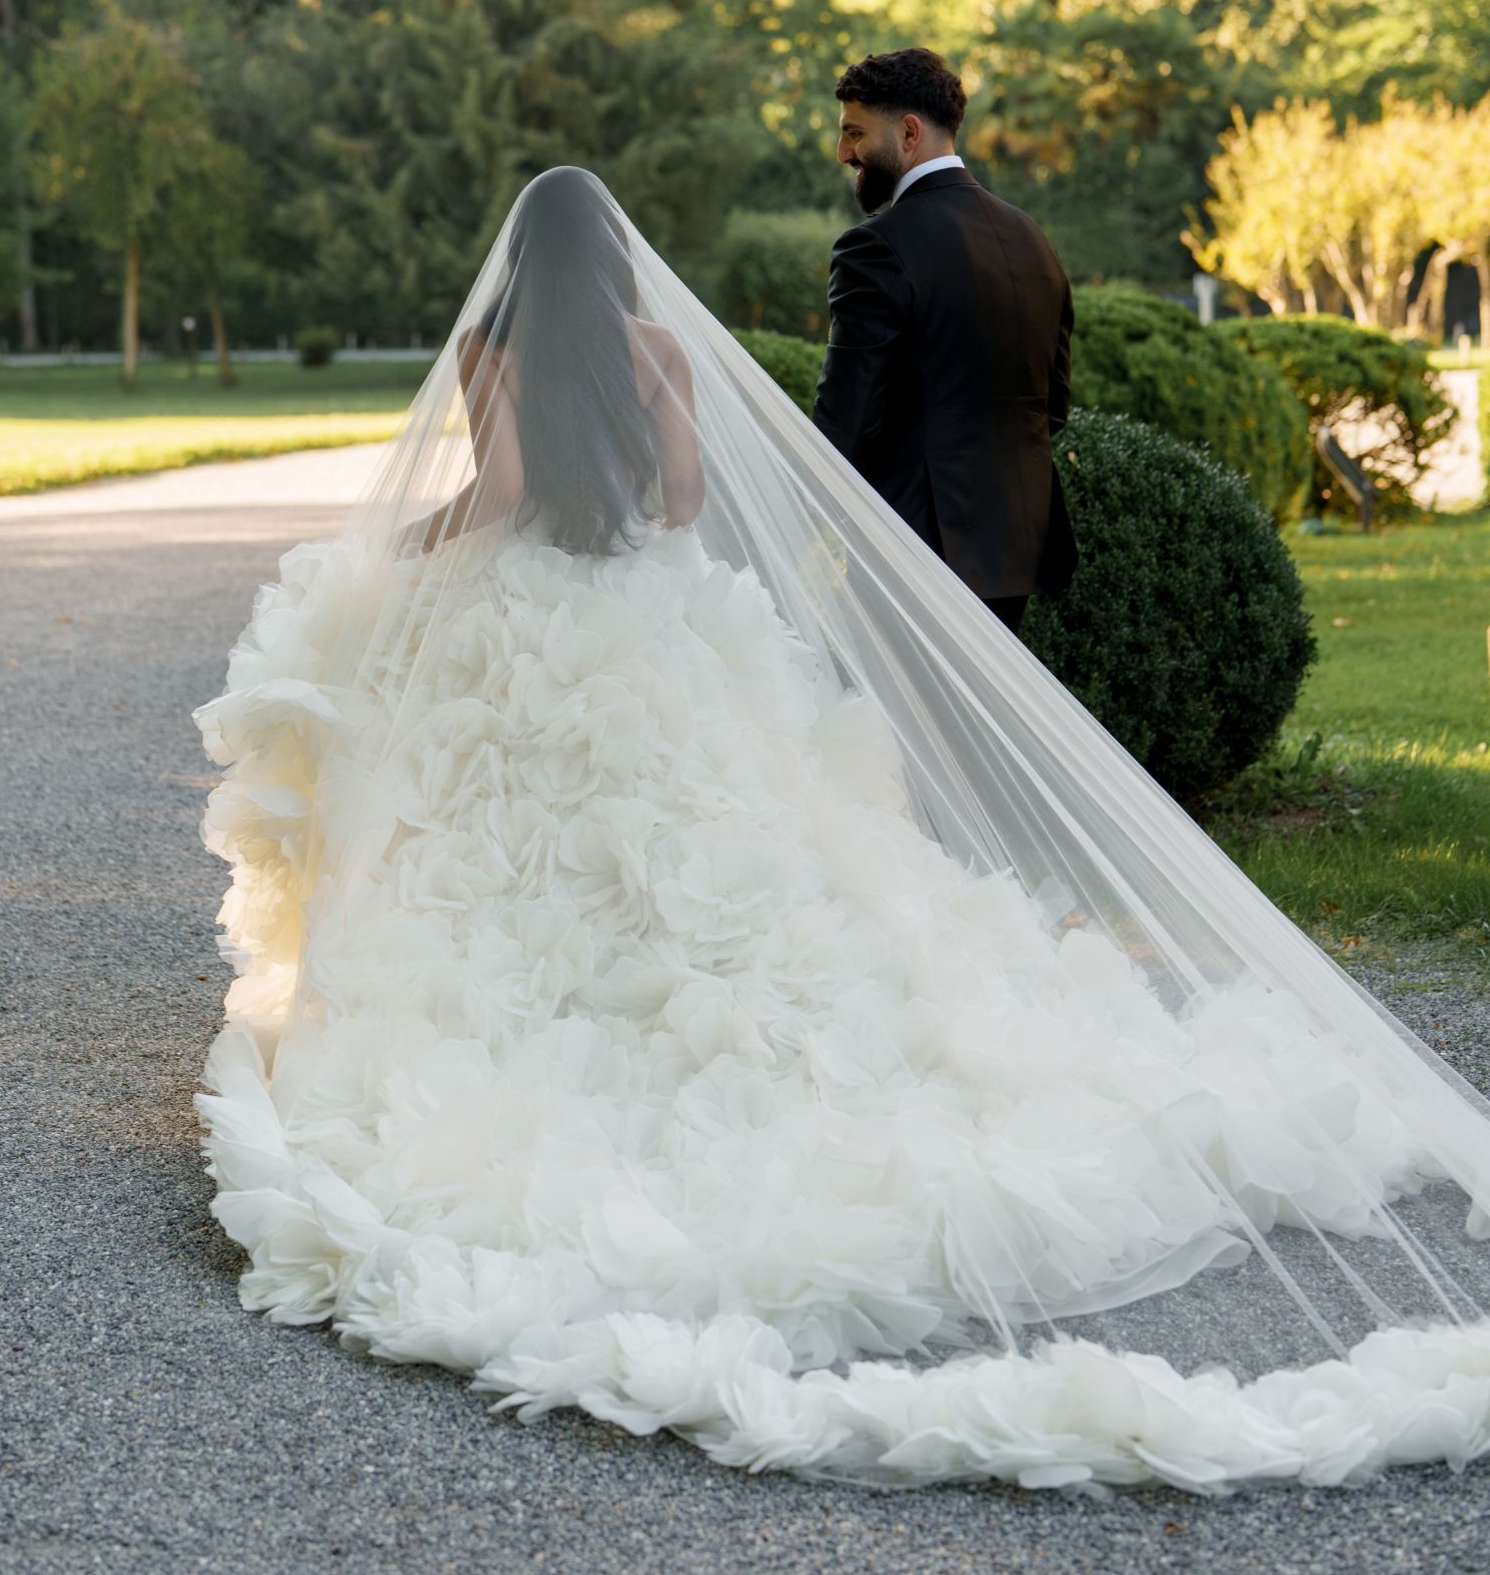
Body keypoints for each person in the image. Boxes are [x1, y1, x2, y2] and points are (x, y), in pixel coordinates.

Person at [195, 166, 1490, 1493]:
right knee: (732, 841)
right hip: (647, 623)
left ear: (519, 267)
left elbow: (504, 488)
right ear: (615, 267)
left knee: (505, 848)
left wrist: (393, 552)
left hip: (521, 627)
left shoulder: (491, 348)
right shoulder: (651, 349)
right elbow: (686, 502)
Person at [814, 46, 1074, 632]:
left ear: (909, 132)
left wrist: (788, 518)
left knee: (892, 722)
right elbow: (1051, 406)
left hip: (913, 548)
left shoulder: (873, 248)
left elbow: (845, 420)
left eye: (854, 133)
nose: (843, 153)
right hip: (1015, 547)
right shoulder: (1031, 238)